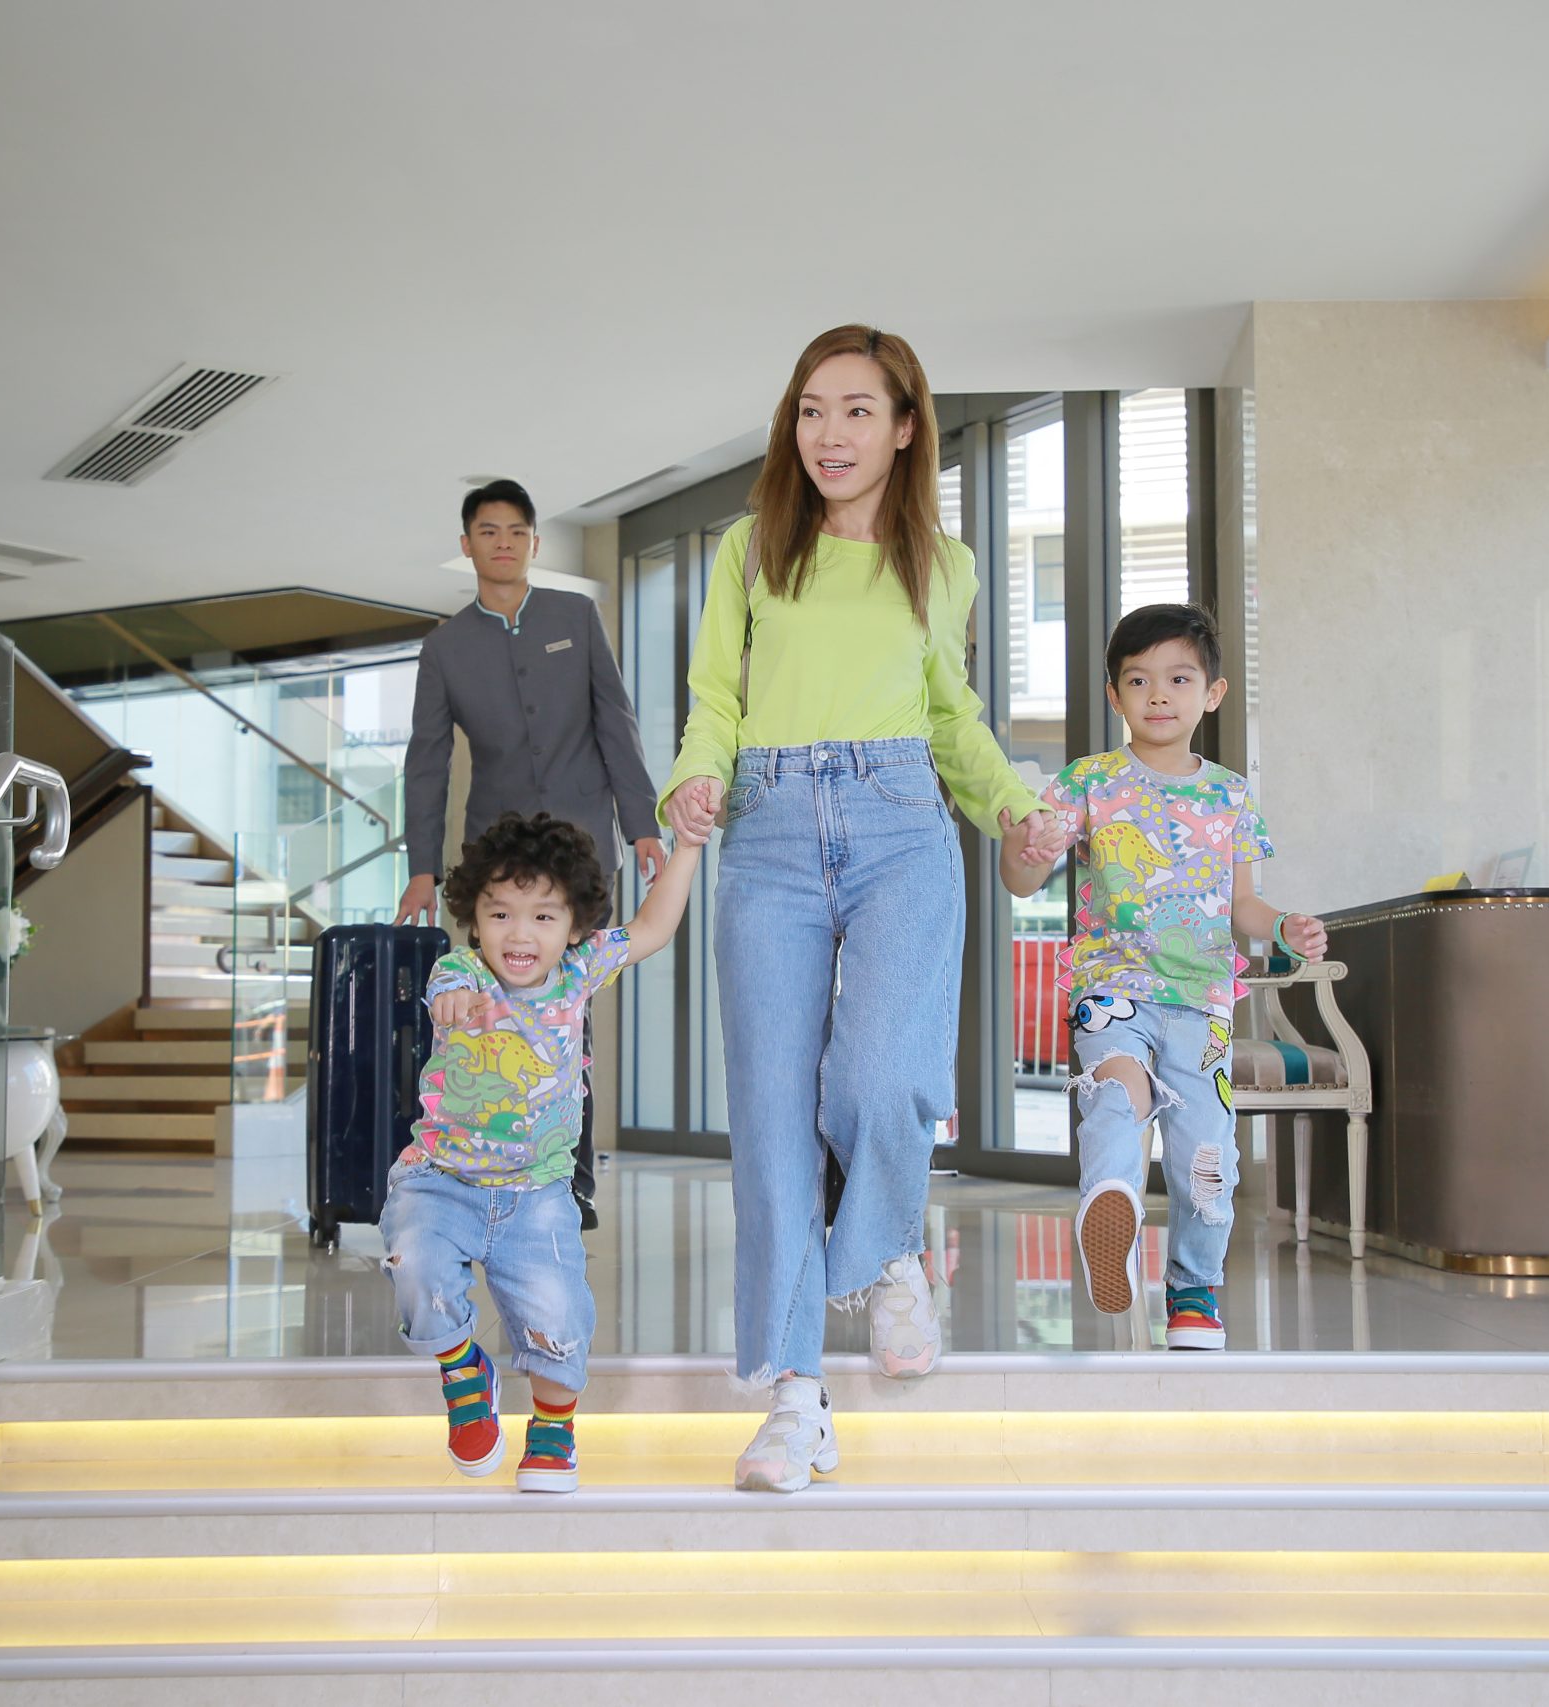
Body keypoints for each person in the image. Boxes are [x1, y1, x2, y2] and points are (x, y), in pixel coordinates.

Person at [662, 324, 1065, 1494]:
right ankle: (795, 1401)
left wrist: (1013, 805)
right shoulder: (750, 548)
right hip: (769, 832)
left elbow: (952, 717)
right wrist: (693, 778)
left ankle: (886, 1247)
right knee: (771, 1127)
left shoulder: (943, 563)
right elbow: (714, 698)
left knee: (883, 1078)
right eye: (809, 410)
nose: (828, 434)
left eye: (855, 411)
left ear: (902, 428)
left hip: (901, 823)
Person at [1002, 602, 1327, 1350]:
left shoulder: (1231, 795)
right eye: (1138, 680)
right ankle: (1110, 1205)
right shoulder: (1088, 782)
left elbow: (1243, 904)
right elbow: (1023, 878)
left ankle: (1193, 1291)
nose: (1158, 695)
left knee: (1206, 1158)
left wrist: (1283, 926)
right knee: (1118, 1098)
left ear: (1212, 692)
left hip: (1201, 1002)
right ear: (1114, 695)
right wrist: (1025, 849)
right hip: (1112, 987)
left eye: (1179, 679)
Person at [380, 810, 701, 1493]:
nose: (519, 934)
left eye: (543, 917)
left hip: (538, 1192)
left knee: (559, 1315)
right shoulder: (459, 969)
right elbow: (447, 993)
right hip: (441, 1180)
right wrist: (456, 1002)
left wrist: (690, 847)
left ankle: (553, 1424)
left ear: (575, 926)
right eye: (500, 914)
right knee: (414, 1265)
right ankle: (463, 1370)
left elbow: (653, 927)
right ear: (474, 919)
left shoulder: (579, 972)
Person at [402, 478, 665, 1230]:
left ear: (534, 543)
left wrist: (642, 823)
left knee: (568, 1007)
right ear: (467, 545)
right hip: (498, 859)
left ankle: (569, 1178)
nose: (505, 544)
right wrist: (423, 867)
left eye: (517, 531)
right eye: (489, 531)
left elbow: (616, 723)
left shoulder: (575, 617)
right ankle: (490, 1160)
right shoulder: (445, 647)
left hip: (582, 855)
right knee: (499, 1005)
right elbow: (426, 761)